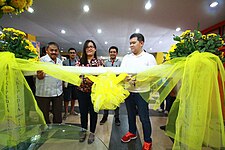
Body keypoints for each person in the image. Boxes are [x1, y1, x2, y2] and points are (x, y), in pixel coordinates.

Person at [120, 33, 157, 150]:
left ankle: (147, 140)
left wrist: (139, 79)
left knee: (143, 117)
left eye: (133, 43)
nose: (131, 45)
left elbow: (154, 75)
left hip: (142, 92)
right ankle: (132, 132)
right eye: (130, 43)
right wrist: (125, 78)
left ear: (141, 43)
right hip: (129, 91)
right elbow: (121, 73)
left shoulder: (149, 58)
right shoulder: (126, 58)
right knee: (130, 114)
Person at [76, 40, 103, 144]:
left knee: (93, 113)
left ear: (95, 49)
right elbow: (76, 75)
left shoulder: (99, 62)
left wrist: (92, 79)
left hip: (94, 93)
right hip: (81, 92)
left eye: (91, 46)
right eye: (87, 47)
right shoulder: (79, 62)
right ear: (84, 49)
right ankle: (83, 131)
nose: (89, 48)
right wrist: (83, 79)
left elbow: (102, 77)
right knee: (83, 113)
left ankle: (92, 132)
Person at [35, 42, 63, 124]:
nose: (54, 52)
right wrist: (39, 75)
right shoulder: (41, 61)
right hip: (44, 93)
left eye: (56, 50)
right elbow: (38, 76)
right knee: (43, 116)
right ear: (47, 51)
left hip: (58, 92)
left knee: (58, 116)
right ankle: (44, 133)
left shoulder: (59, 61)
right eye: (51, 50)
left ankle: (57, 132)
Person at [99, 46, 121, 126]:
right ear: (109, 53)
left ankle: (117, 118)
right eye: (111, 52)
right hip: (107, 85)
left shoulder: (119, 62)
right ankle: (105, 117)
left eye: (114, 52)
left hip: (116, 85)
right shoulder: (105, 63)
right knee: (106, 101)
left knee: (116, 102)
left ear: (116, 53)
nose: (112, 53)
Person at [62, 48, 79, 120]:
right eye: (71, 53)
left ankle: (72, 110)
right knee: (66, 98)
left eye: (74, 53)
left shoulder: (78, 62)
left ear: (75, 54)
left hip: (75, 82)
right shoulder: (65, 62)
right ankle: (66, 112)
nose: (72, 54)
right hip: (67, 83)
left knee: (74, 98)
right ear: (69, 54)